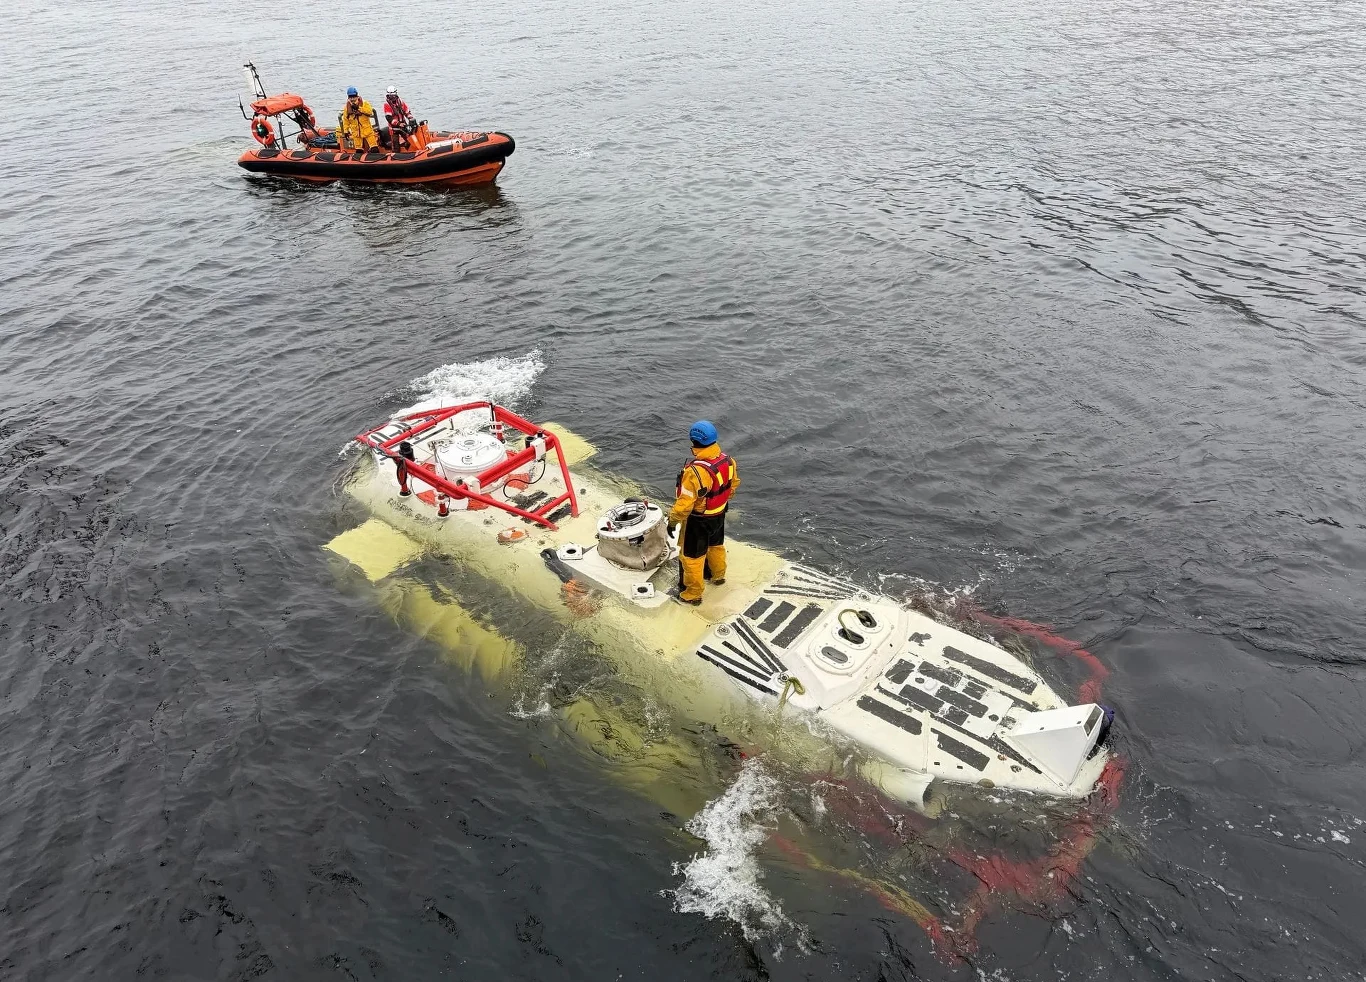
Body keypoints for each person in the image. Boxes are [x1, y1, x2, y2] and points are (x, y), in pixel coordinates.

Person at [667, 420, 740, 606]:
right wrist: (720, 504)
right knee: (716, 546)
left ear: (693, 441)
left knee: (692, 558)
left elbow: (684, 504)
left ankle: (692, 594)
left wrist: (672, 521)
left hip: (698, 521)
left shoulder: (696, 471)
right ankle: (718, 576)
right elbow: (732, 486)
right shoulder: (728, 460)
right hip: (719, 514)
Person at [338, 86, 381, 151]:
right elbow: (346, 120)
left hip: (367, 131)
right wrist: (346, 131)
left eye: (354, 97)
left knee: (374, 149)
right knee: (358, 151)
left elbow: (369, 111)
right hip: (356, 133)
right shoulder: (347, 108)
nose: (352, 99)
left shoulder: (364, 103)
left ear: (357, 96)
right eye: (350, 97)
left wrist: (359, 108)